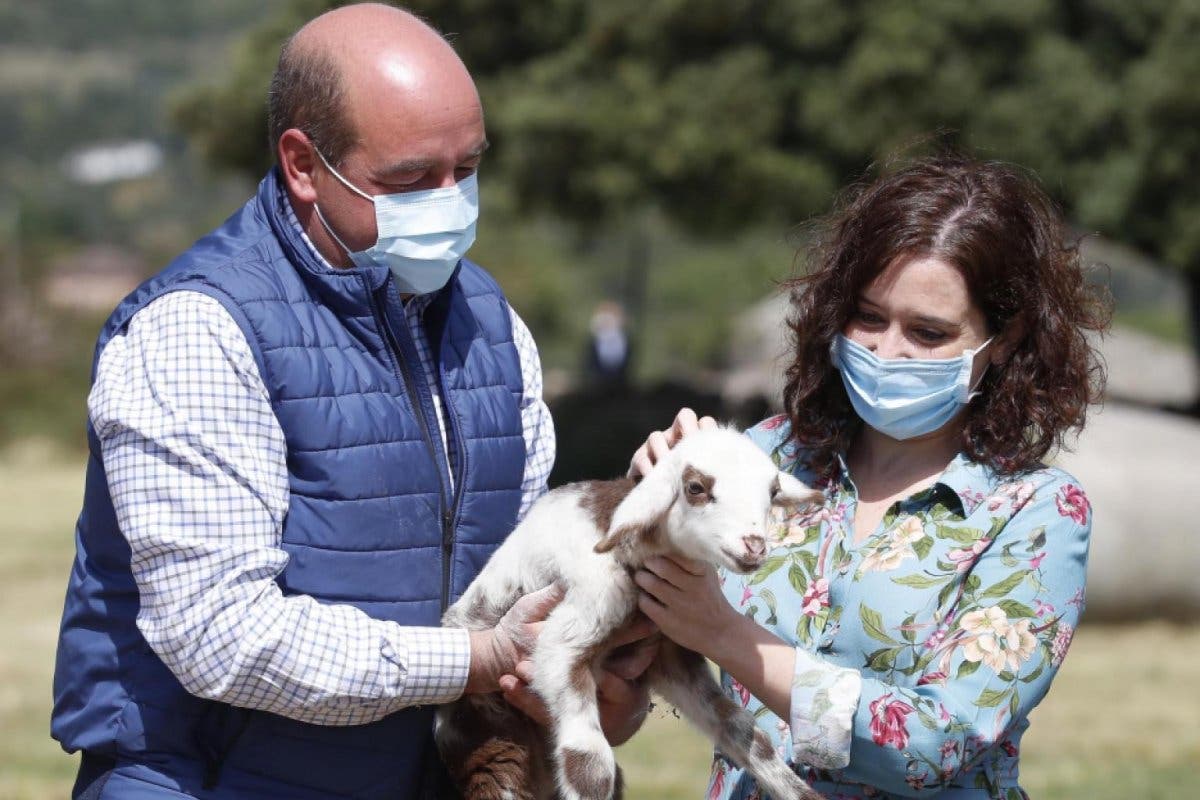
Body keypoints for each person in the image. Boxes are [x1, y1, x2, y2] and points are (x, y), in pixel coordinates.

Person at [51, 5, 652, 798]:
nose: (449, 203)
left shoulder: (493, 325)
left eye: (466, 170)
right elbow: (221, 636)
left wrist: (607, 673)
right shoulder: (198, 331)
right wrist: (477, 659)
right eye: (409, 179)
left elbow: (523, 579)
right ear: (302, 163)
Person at [629, 155, 1110, 799]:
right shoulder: (764, 458)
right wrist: (653, 518)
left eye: (928, 332)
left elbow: (937, 746)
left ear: (1005, 338)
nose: (887, 352)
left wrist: (724, 634)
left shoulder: (1036, 512)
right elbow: (644, 659)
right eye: (868, 317)